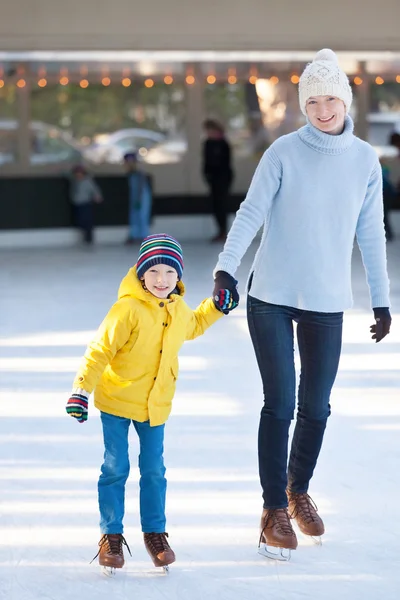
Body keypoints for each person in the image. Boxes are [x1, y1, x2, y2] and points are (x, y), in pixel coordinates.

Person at [212, 49, 392, 560]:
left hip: (326, 299)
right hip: (269, 295)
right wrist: (227, 266)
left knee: (316, 407)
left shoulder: (363, 161)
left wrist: (381, 301)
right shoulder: (283, 153)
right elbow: (251, 212)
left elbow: (371, 235)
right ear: (303, 103)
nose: (322, 108)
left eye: (331, 97)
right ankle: (272, 509)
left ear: (346, 99)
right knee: (281, 402)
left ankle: (297, 491)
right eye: (313, 100)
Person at [65, 233, 237, 573]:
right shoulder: (126, 309)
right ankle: (110, 536)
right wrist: (81, 391)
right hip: (117, 402)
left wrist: (216, 307)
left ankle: (155, 533)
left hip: (155, 405)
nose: (162, 280)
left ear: (178, 277)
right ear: (141, 274)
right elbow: (99, 351)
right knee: (115, 469)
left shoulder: (177, 308)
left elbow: (194, 325)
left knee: (154, 471)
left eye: (170, 273)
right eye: (154, 271)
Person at [202, 119, 233, 243]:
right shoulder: (207, 143)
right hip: (212, 178)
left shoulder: (223, 143)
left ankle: (224, 231)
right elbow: (206, 161)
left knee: (222, 204)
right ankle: (220, 230)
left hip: (222, 178)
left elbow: (225, 162)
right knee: (215, 204)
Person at [124, 151, 153, 244]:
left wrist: (139, 199)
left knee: (142, 216)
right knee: (134, 216)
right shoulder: (131, 173)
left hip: (142, 197)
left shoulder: (139, 173)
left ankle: (143, 237)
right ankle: (134, 236)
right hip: (135, 196)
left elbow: (141, 186)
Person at [70, 165, 103, 244]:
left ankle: (88, 238)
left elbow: (94, 189)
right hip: (77, 204)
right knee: (80, 220)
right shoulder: (74, 181)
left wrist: (98, 196)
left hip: (86, 203)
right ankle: (84, 237)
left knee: (87, 221)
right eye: (76, 173)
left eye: (80, 173)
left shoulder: (87, 181)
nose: (78, 175)